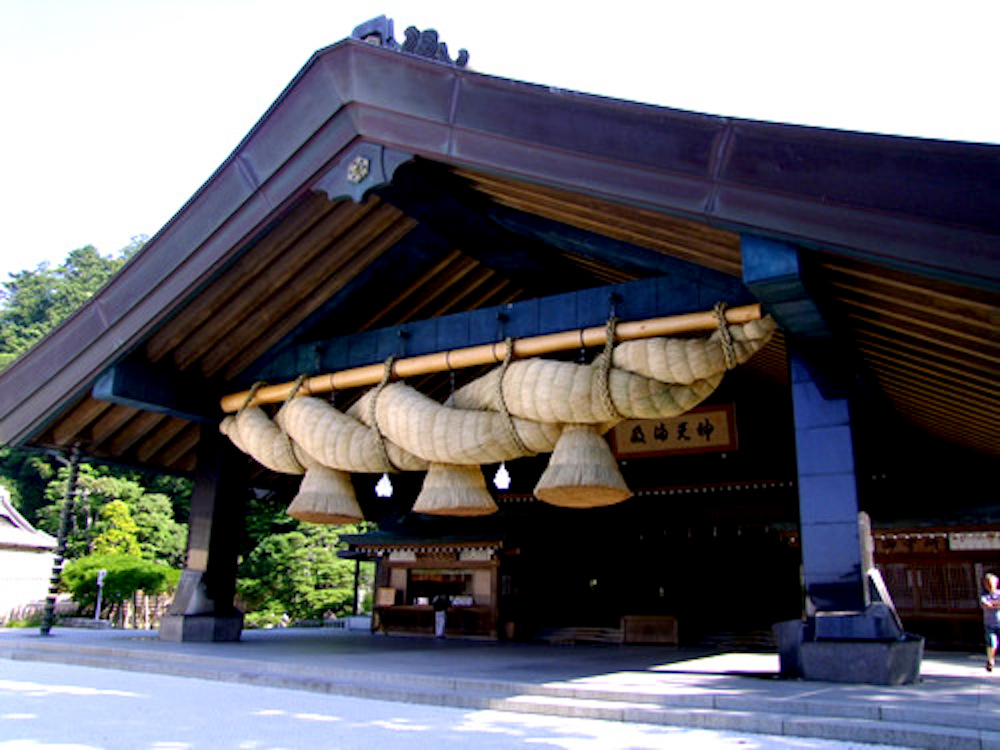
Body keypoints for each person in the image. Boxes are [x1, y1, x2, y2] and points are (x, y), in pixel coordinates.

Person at [981, 572, 1000, 673]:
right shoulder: (984, 596)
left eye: (991, 583)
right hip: (989, 624)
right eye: (987, 583)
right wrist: (995, 604)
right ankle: (990, 661)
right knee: (992, 643)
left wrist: (992, 605)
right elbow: (985, 605)